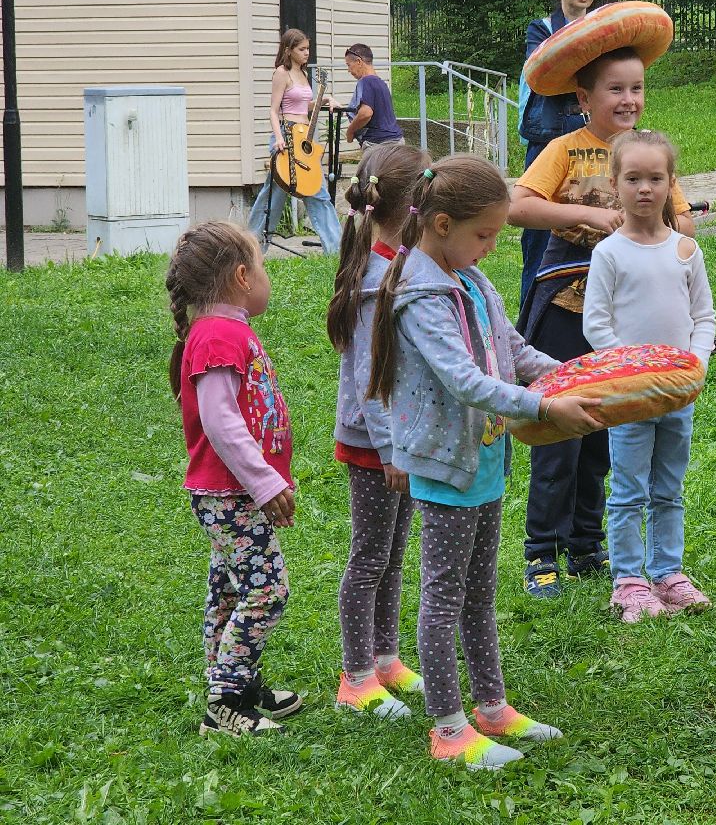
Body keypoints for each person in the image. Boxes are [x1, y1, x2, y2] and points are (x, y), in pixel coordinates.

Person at [368, 154, 602, 770]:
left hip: (486, 456)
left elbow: (514, 349)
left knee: (478, 594)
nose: (493, 247)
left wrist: (584, 378)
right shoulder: (420, 293)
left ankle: (491, 706)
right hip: (446, 467)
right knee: (444, 598)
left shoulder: (470, 277)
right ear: (441, 223)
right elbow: (465, 379)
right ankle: (448, 728)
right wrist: (546, 406)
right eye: (486, 234)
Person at [508, 3, 692, 599]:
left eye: (637, 87)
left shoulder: (647, 158)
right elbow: (519, 205)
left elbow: (681, 222)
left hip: (625, 323)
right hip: (566, 313)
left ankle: (587, 543)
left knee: (603, 436)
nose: (630, 99)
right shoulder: (567, 148)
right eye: (616, 89)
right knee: (560, 431)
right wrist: (589, 213)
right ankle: (542, 551)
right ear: (584, 98)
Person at [166, 220, 302, 737]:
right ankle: (224, 700)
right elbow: (221, 421)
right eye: (263, 267)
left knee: (229, 588)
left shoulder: (221, 331)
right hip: (231, 494)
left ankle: (238, 682)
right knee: (267, 589)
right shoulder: (218, 335)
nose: (267, 276)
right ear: (243, 276)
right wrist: (265, 484)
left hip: (227, 493)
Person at [581, 130, 716, 622]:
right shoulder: (609, 253)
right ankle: (629, 579)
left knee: (669, 486)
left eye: (655, 178)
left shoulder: (686, 249)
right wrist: (632, 372)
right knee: (629, 488)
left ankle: (667, 571)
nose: (644, 189)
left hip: (679, 394)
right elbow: (596, 322)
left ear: (670, 183)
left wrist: (694, 363)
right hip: (632, 396)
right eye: (633, 178)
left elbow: (703, 316)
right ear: (614, 183)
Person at [326, 141, 431, 719]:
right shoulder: (377, 278)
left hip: (397, 439)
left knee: (392, 553)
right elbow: (372, 378)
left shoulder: (388, 263)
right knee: (370, 556)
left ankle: (386, 657)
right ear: (415, 208)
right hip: (376, 444)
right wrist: (392, 449)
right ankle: (356, 676)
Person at [518, 0, 602, 307]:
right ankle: (530, 322)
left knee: (591, 230)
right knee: (539, 234)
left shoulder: (603, 24)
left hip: (593, 132)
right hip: (549, 137)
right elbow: (547, 73)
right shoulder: (541, 29)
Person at [246, 28, 343, 254]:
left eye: (308, 49)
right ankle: (251, 248)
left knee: (317, 191)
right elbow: (273, 110)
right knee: (274, 195)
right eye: (302, 49)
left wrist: (326, 99)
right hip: (286, 135)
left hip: (304, 136)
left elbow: (303, 105)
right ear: (289, 51)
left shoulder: (303, 73)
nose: (306, 53)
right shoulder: (282, 73)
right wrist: (279, 138)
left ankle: (337, 250)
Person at [333, 43, 404, 147]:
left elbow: (366, 113)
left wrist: (350, 131)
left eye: (348, 65)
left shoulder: (366, 81)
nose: (348, 70)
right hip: (397, 140)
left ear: (358, 61)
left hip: (378, 144)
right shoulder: (381, 83)